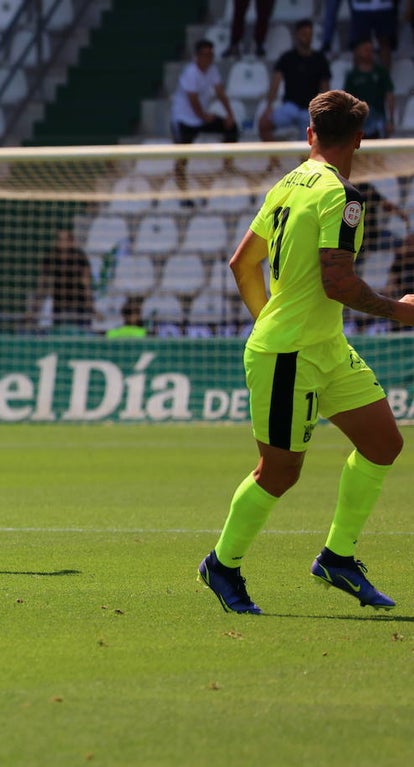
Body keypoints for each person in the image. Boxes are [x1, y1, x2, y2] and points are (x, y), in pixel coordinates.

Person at [197, 90, 414, 615]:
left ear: (310, 135)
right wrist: (402, 312)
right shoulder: (344, 196)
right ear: (359, 140)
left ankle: (337, 559)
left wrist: (268, 319)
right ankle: (222, 565)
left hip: (325, 347)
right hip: (290, 354)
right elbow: (338, 283)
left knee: (383, 443)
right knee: (279, 472)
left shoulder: (286, 183)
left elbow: (240, 265)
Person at [170, 40, 238, 201]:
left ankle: (228, 166)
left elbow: (220, 92)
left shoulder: (212, 70)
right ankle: (182, 193)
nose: (208, 58)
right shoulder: (190, 73)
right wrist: (204, 117)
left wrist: (229, 114)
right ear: (197, 56)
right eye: (205, 55)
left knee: (231, 128)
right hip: (184, 119)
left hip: (200, 118)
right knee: (182, 156)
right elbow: (193, 99)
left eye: (210, 54)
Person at [258, 20, 331, 142]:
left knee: (309, 142)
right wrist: (269, 106)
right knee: (263, 125)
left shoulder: (320, 59)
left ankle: (305, 160)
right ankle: (276, 160)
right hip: (290, 107)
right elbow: (275, 83)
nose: (306, 37)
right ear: (297, 35)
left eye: (309, 34)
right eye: (303, 34)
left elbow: (325, 88)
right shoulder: (287, 58)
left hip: (310, 110)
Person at [40, 228, 93, 335]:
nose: (61, 243)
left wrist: (91, 306)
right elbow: (42, 283)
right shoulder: (51, 257)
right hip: (59, 303)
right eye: (59, 239)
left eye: (65, 240)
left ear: (71, 241)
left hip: (79, 303)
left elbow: (86, 283)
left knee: (81, 332)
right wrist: (35, 307)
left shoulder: (80, 256)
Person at [343, 38, 395, 138]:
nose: (369, 53)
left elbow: (389, 96)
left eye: (371, 50)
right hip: (359, 119)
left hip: (378, 118)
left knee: (379, 151)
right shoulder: (352, 75)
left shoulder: (381, 72)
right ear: (359, 52)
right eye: (366, 50)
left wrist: (390, 120)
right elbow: (347, 100)